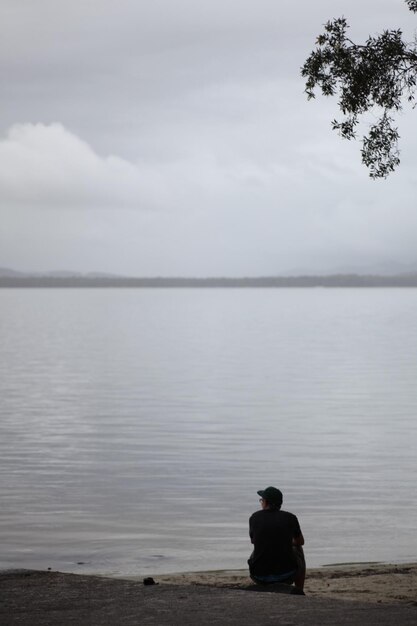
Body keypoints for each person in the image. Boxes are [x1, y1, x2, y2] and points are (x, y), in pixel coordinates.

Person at [248, 486, 306, 594]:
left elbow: (253, 541)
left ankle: (264, 584)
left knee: (258, 547)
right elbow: (300, 542)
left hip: (258, 575)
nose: (261, 503)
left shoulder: (254, 517)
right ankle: (299, 591)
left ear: (265, 502)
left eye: (262, 500)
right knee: (299, 549)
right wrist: (288, 542)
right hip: (287, 574)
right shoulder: (291, 518)